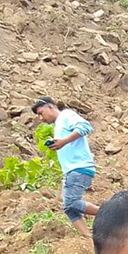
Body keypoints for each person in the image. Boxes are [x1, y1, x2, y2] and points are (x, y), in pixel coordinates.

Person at [31, 97, 99, 237]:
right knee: (69, 208)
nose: (40, 118)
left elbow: (86, 127)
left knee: (72, 203)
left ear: (50, 107)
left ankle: (109, 212)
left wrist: (64, 141)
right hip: (72, 170)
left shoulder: (66, 115)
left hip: (79, 168)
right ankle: (88, 237)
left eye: (41, 113)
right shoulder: (59, 124)